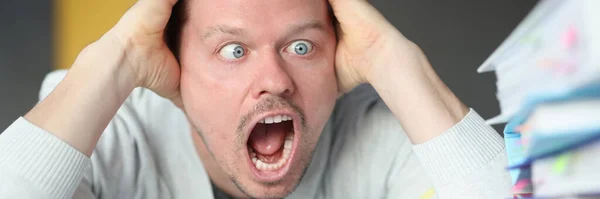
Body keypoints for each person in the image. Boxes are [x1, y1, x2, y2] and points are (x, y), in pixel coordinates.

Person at [0, 0, 512, 198]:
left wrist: (392, 58)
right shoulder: (104, 124)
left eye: (301, 46)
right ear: (173, 64)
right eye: (233, 49)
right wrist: (119, 56)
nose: (275, 79)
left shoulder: (379, 134)